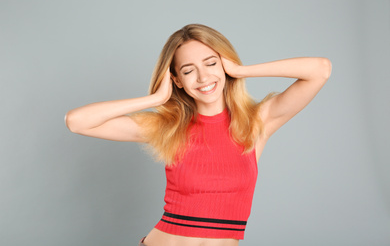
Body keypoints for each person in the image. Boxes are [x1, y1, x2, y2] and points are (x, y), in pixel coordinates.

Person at [65, 24, 332, 246]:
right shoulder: (167, 127)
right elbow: (77, 122)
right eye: (189, 70)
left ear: (224, 64)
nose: (203, 77)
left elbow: (320, 69)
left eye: (211, 63)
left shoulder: (256, 122)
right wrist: (155, 98)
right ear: (177, 80)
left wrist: (240, 71)